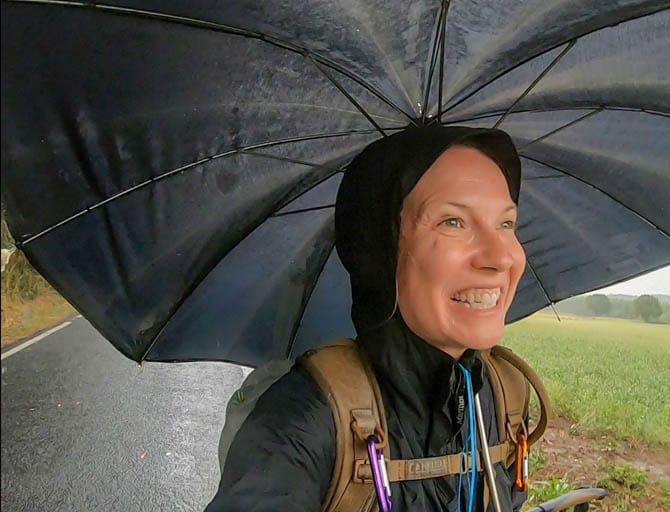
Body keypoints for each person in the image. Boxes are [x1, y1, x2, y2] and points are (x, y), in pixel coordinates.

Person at [206, 125, 529, 511]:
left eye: (506, 224)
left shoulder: (504, 395)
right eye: (453, 222)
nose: (500, 257)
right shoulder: (301, 420)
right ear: (380, 250)